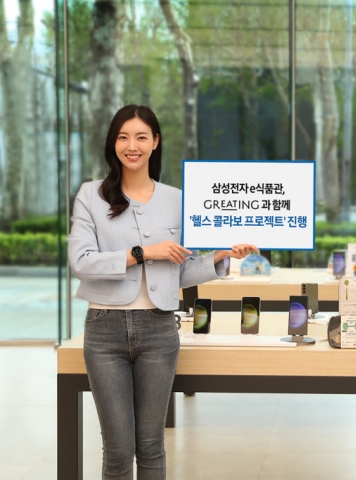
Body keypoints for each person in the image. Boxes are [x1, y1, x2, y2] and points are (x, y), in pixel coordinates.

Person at [67, 105, 259, 479]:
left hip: (159, 329)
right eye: (123, 137)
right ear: (113, 143)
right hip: (104, 330)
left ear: (155, 142)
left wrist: (219, 257)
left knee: (152, 447)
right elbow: (81, 262)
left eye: (141, 137)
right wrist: (142, 253)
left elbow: (179, 272)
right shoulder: (91, 195)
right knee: (118, 452)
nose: (132, 146)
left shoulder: (177, 199)